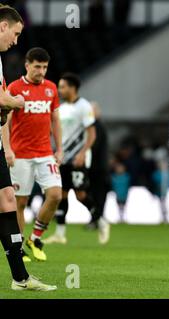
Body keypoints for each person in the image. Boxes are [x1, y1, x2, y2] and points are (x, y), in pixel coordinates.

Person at [0, 3, 56, 291]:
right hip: (16, 152)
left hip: (11, 148)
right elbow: (4, 100)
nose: (16, 41)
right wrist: (16, 102)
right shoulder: (18, 84)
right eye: (16, 34)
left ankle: (20, 277)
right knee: (12, 202)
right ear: (3, 27)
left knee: (8, 201)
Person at [2, 47, 62, 262]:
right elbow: (5, 121)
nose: (41, 71)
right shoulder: (15, 87)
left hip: (45, 152)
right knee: (20, 202)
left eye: (45, 67)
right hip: (21, 155)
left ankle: (35, 238)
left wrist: (60, 148)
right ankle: (19, 248)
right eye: (37, 66)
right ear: (27, 65)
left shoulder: (51, 89)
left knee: (55, 195)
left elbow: (55, 119)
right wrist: (7, 149)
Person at [43, 73, 98, 245]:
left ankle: (98, 217)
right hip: (63, 158)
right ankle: (60, 233)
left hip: (77, 158)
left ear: (73, 88)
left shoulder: (84, 106)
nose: (60, 90)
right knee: (62, 194)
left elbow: (92, 133)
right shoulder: (63, 107)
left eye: (63, 86)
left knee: (81, 194)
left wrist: (82, 153)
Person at [85, 101, 110, 244]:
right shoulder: (97, 126)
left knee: (97, 195)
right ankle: (96, 219)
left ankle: (97, 219)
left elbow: (93, 147)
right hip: (98, 168)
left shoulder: (96, 127)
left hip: (98, 168)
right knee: (95, 195)